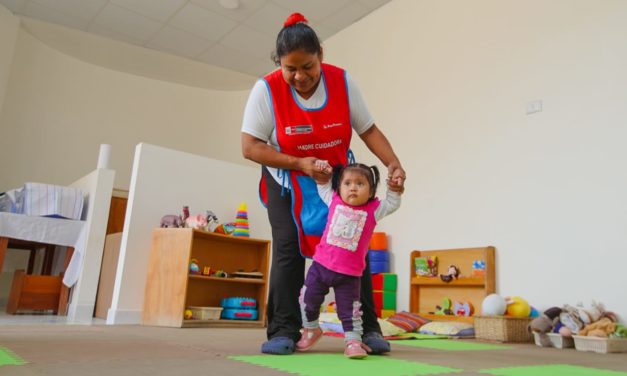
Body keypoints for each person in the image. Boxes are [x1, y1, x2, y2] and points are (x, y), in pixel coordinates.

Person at [240, 12, 406, 355]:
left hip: (338, 178)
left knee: (352, 247)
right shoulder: (266, 89)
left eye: (308, 66)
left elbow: (368, 130)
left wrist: (393, 163)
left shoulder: (343, 83)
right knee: (288, 250)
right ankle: (284, 330)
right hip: (285, 178)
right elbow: (250, 146)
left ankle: (366, 329)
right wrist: (299, 163)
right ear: (279, 64)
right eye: (291, 69)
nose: (300, 76)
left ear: (321, 55)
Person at [296, 162, 402, 359]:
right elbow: (322, 185)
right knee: (307, 299)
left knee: (350, 310)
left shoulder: (374, 209)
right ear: (339, 187)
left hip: (350, 275)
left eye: (360, 184)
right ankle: (311, 329)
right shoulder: (333, 199)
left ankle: (353, 340)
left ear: (371, 191)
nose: (353, 187)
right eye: (347, 183)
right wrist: (321, 175)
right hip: (320, 267)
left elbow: (392, 203)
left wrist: (394, 189)